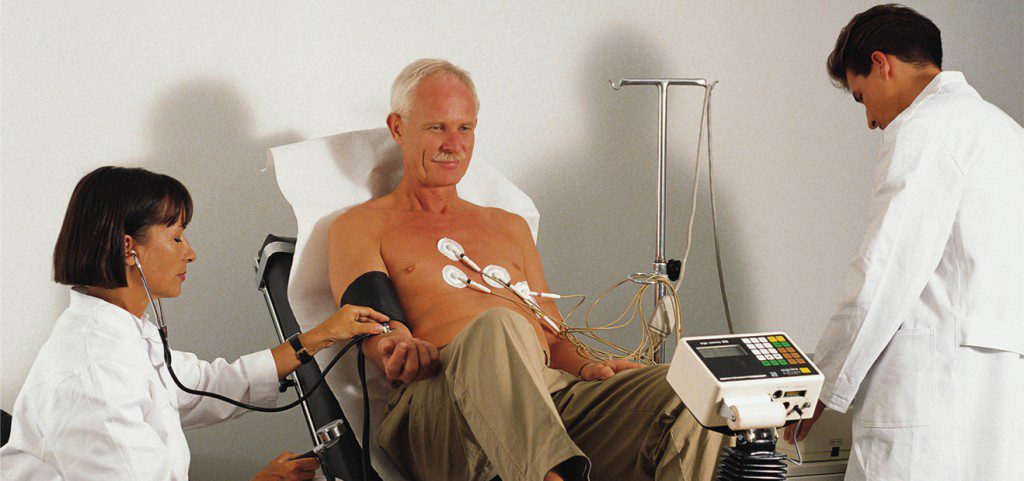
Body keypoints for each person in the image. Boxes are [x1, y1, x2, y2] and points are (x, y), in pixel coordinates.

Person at [328, 58, 726, 481]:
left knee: (692, 391)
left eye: (465, 128)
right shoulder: (363, 225)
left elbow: (552, 336)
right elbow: (372, 325)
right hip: (441, 402)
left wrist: (589, 367)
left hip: (544, 391)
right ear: (397, 127)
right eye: (436, 127)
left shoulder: (508, 226)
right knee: (497, 324)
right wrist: (396, 347)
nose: (454, 144)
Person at [0, 166, 392, 480]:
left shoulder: (124, 334)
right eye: (176, 238)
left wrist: (320, 336)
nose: (191, 253)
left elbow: (205, 386)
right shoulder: (95, 375)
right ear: (127, 249)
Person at [783, 4, 1024, 480]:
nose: (870, 120)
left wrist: (820, 387)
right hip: (1000, 399)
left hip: (927, 399)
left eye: (861, 97)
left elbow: (883, 274)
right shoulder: (1006, 133)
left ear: (881, 64)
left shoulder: (924, 128)